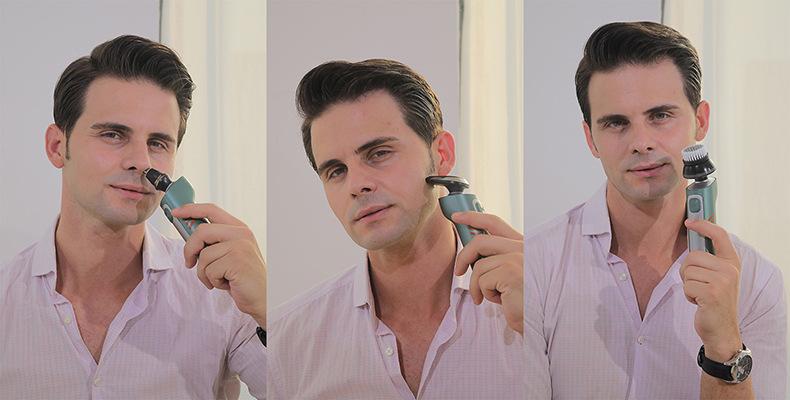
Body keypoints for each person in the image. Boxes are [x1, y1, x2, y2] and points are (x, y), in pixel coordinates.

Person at [524, 21, 786, 399]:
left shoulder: (757, 282)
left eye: (660, 116)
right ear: (590, 139)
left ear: (700, 121)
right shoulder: (534, 266)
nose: (642, 142)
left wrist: (724, 345)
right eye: (617, 123)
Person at [0, 35, 267, 399]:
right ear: (57, 146)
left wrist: (266, 311)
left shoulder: (221, 293)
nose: (141, 162)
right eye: (113, 134)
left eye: (158, 143)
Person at [268, 59, 525, 399]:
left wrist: (550, 321)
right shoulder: (287, 342)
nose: (357, 185)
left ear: (442, 154)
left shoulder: (535, 304)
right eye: (336, 171)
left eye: (378, 153)